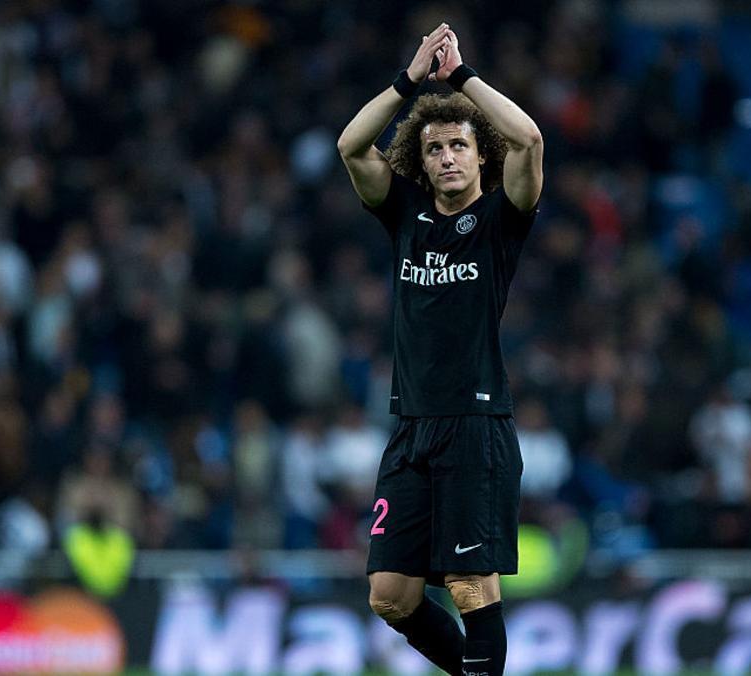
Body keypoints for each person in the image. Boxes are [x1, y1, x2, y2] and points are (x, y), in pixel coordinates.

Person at [337, 22, 542, 676]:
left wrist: (459, 78)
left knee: (469, 582)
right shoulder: (405, 215)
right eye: (434, 148)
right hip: (412, 426)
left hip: (475, 424)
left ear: (482, 154)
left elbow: (530, 137)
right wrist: (408, 79)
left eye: (460, 144)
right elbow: (350, 145)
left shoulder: (501, 219)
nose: (448, 156)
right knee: (390, 596)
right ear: (419, 162)